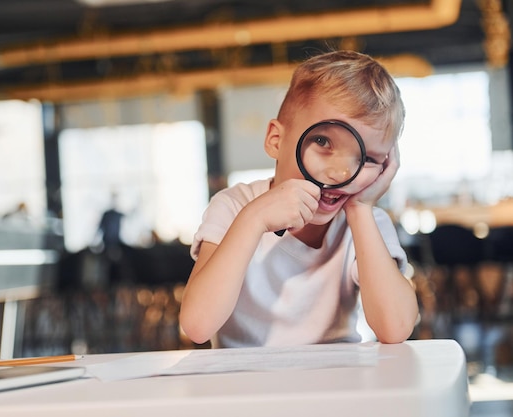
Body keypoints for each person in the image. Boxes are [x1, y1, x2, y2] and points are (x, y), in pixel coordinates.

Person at [179, 50, 418, 348]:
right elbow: (197, 326)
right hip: (244, 388)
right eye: (322, 141)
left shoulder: (367, 223)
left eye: (367, 158)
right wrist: (253, 220)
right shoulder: (234, 207)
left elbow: (395, 329)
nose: (339, 172)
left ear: (386, 167)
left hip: (332, 384)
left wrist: (360, 210)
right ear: (276, 141)